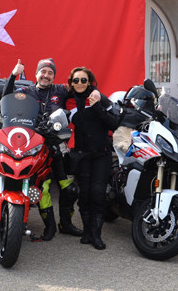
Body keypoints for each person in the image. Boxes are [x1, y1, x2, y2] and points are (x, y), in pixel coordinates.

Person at [2, 58, 88, 240]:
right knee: (43, 189)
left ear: (54, 76)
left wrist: (96, 94)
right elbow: (6, 97)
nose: (46, 75)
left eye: (50, 73)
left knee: (70, 189)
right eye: (43, 71)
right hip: (36, 147)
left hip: (58, 146)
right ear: (36, 74)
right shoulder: (26, 91)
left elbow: (82, 88)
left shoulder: (60, 90)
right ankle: (50, 227)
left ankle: (66, 224)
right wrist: (13, 75)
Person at [65, 67, 118, 250]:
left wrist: (97, 106)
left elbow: (114, 124)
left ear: (89, 82)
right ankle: (87, 232)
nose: (80, 83)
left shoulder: (99, 98)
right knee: (84, 194)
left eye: (83, 80)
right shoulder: (68, 100)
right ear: (71, 83)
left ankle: (96, 235)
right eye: (76, 80)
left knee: (97, 193)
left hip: (101, 153)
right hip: (81, 154)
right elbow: (76, 120)